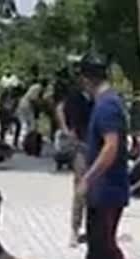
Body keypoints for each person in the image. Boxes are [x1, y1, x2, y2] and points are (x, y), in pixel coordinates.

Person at [65, 53, 140, 259]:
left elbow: (111, 147)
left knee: (104, 244)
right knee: (96, 244)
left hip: (108, 187)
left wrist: (88, 178)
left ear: (86, 79)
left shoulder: (107, 105)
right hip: (105, 186)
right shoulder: (108, 102)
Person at [56, 67, 94, 247]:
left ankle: (93, 227)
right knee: (81, 187)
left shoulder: (98, 95)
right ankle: (74, 228)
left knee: (96, 188)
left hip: (97, 145)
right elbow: (59, 108)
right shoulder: (75, 96)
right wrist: (66, 130)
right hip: (81, 145)